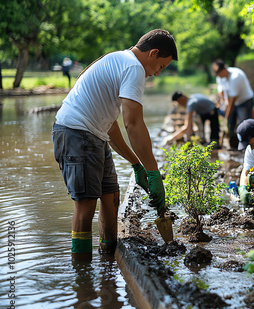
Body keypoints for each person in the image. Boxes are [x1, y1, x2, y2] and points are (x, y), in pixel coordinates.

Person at [52, 29, 178, 260]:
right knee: (86, 204)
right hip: (75, 133)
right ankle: (83, 275)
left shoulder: (120, 62)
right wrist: (154, 172)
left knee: (111, 197)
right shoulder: (133, 67)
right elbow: (133, 124)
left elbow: (111, 126)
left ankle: (108, 259)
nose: (158, 74)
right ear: (153, 53)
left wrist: (137, 165)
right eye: (161, 67)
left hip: (93, 135)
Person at [212, 59, 254, 149]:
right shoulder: (220, 77)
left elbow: (232, 103)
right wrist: (224, 101)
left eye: (218, 74)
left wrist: (225, 119)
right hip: (232, 101)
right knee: (231, 124)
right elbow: (222, 91)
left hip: (244, 101)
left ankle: (247, 147)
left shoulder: (235, 77)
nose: (218, 76)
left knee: (244, 124)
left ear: (223, 70)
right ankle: (233, 144)